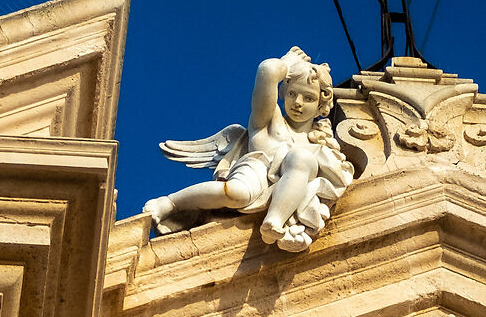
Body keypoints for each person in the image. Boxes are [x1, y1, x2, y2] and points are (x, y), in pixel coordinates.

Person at [145, 47, 355, 252]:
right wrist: (285, 63)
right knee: (237, 193)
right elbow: (267, 71)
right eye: (292, 94)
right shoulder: (269, 121)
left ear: (322, 106)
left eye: (308, 98)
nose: (298, 103)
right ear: (283, 93)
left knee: (302, 157)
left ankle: (274, 221)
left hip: (291, 186)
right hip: (256, 171)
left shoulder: (319, 147)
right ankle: (171, 203)